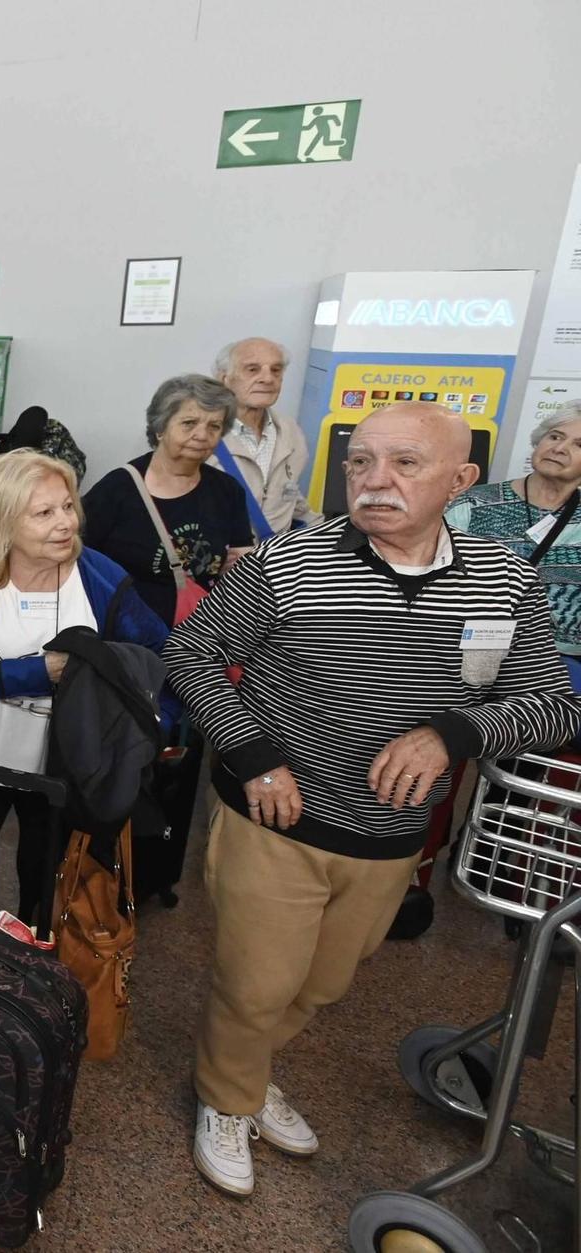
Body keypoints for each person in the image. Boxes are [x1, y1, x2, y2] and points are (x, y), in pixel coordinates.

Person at [163, 401, 581, 1198]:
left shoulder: (503, 579)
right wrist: (252, 755)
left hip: (390, 835)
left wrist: (452, 735)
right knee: (256, 982)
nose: (375, 481)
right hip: (275, 815)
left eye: (405, 464)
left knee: (323, 984)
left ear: (461, 481)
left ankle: (247, 1075)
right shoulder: (288, 564)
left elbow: (556, 705)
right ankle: (226, 1096)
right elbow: (192, 651)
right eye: (360, 462)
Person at [0, 450, 169, 921]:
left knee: (46, 882)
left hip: (68, 765)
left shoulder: (101, 577)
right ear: (2, 520)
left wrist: (144, 735)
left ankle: (36, 976)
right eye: (44, 513)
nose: (66, 523)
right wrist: (44, 671)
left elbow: (161, 659)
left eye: (68, 506)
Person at [81, 373, 255, 905]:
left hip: (195, 644)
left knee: (176, 758)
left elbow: (238, 564)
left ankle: (157, 873)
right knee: (120, 754)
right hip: (126, 647)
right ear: (160, 426)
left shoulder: (224, 490)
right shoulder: (117, 487)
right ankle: (99, 865)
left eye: (214, 425)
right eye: (189, 422)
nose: (202, 434)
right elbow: (79, 563)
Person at [446, 401, 581, 665]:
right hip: (468, 653)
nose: (559, 449)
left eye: (580, 445)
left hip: (562, 661)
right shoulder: (473, 504)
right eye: (555, 436)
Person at [212, 337, 319, 535]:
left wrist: (325, 533)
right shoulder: (200, 435)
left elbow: (288, 496)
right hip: (222, 559)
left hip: (274, 559)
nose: (268, 379)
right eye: (252, 369)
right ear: (224, 378)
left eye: (276, 370)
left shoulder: (290, 431)